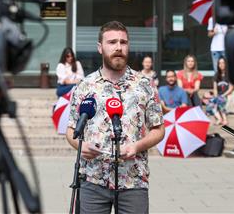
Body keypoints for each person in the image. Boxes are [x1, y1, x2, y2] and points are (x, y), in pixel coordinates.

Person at [66, 21, 164, 214]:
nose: (118, 47)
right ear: (100, 47)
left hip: (133, 180)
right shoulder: (85, 86)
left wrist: (137, 146)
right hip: (93, 179)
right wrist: (81, 146)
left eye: (123, 42)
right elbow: (71, 130)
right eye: (112, 42)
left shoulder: (144, 84)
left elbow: (158, 129)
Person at [211, 57, 234, 125]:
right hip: (219, 95)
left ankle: (225, 119)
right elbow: (215, 88)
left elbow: (231, 88)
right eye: (219, 63)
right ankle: (219, 118)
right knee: (211, 103)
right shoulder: (216, 75)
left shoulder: (229, 75)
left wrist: (222, 96)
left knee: (221, 100)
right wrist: (216, 96)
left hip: (227, 95)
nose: (221, 64)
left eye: (223, 63)